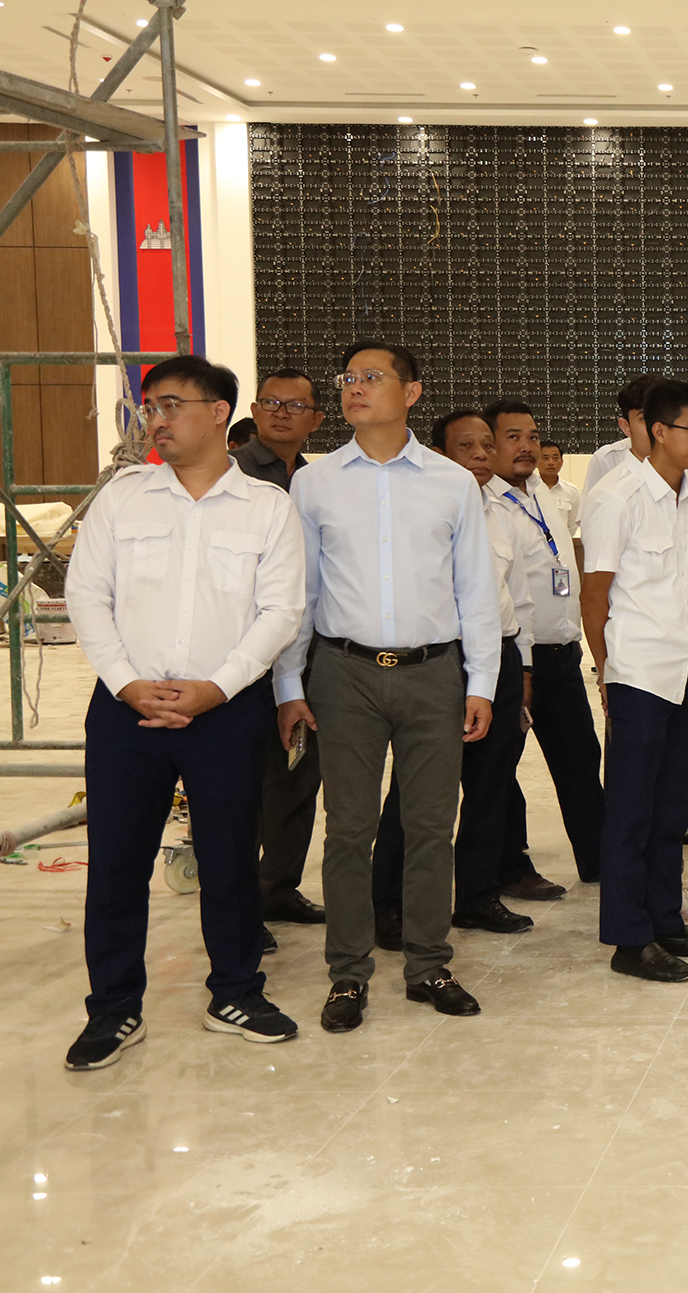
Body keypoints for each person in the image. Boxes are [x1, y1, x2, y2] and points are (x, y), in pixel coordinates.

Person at [63, 355, 306, 1069]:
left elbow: (281, 610)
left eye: (171, 405)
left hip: (224, 709)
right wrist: (126, 683)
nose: (157, 421)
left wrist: (218, 688)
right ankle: (114, 1008)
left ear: (218, 411)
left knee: (230, 857)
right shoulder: (123, 498)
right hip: (126, 709)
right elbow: (86, 595)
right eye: (150, 408)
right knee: (117, 861)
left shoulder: (267, 507)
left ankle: (236, 991)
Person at [273, 339, 500, 1032]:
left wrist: (482, 682)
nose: (355, 387)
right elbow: (301, 592)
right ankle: (347, 973)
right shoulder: (314, 483)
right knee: (348, 830)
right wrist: (289, 683)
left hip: (434, 673)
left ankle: (429, 964)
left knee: (430, 828)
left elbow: (475, 589)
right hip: (344, 675)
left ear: (412, 392)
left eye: (372, 376)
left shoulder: (452, 483)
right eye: (348, 377)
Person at [579, 378, 688, 983]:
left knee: (672, 811)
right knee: (630, 814)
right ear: (659, 430)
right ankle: (629, 939)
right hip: (640, 675)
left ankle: (667, 921)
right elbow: (595, 596)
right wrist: (607, 671)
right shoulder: (616, 497)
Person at [369, 409, 538, 940]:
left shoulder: (504, 512)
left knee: (491, 785)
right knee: (417, 789)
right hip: (442, 661)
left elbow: (519, 599)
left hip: (500, 658)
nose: (483, 455)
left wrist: (522, 668)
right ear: (439, 454)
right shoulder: (418, 512)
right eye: (468, 446)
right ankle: (388, 904)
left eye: (488, 444)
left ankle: (477, 896)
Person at [484, 399, 604, 891]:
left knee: (581, 760)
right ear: (489, 444)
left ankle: (601, 862)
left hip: (563, 655)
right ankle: (510, 867)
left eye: (533, 436)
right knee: (500, 768)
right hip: (515, 661)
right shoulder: (484, 501)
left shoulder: (544, 493)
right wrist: (523, 667)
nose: (527, 446)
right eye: (513, 437)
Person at [235, 367, 328, 932]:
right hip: (243, 657)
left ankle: (278, 889)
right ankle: (239, 905)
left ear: (316, 419)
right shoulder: (233, 474)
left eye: (295, 406)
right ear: (253, 410)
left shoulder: (318, 482)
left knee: (297, 775)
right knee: (243, 786)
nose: (281, 413)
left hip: (307, 654)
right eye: (270, 402)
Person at [583, 375, 655, 495]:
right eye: (643, 419)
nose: (656, 427)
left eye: (661, 417)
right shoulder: (607, 459)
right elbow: (592, 505)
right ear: (626, 427)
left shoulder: (684, 462)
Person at [534, 439, 582, 569]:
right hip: (534, 553)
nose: (551, 462)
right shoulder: (528, 490)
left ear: (562, 461)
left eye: (555, 458)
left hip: (562, 554)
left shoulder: (571, 492)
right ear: (536, 462)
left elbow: (572, 527)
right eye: (545, 458)